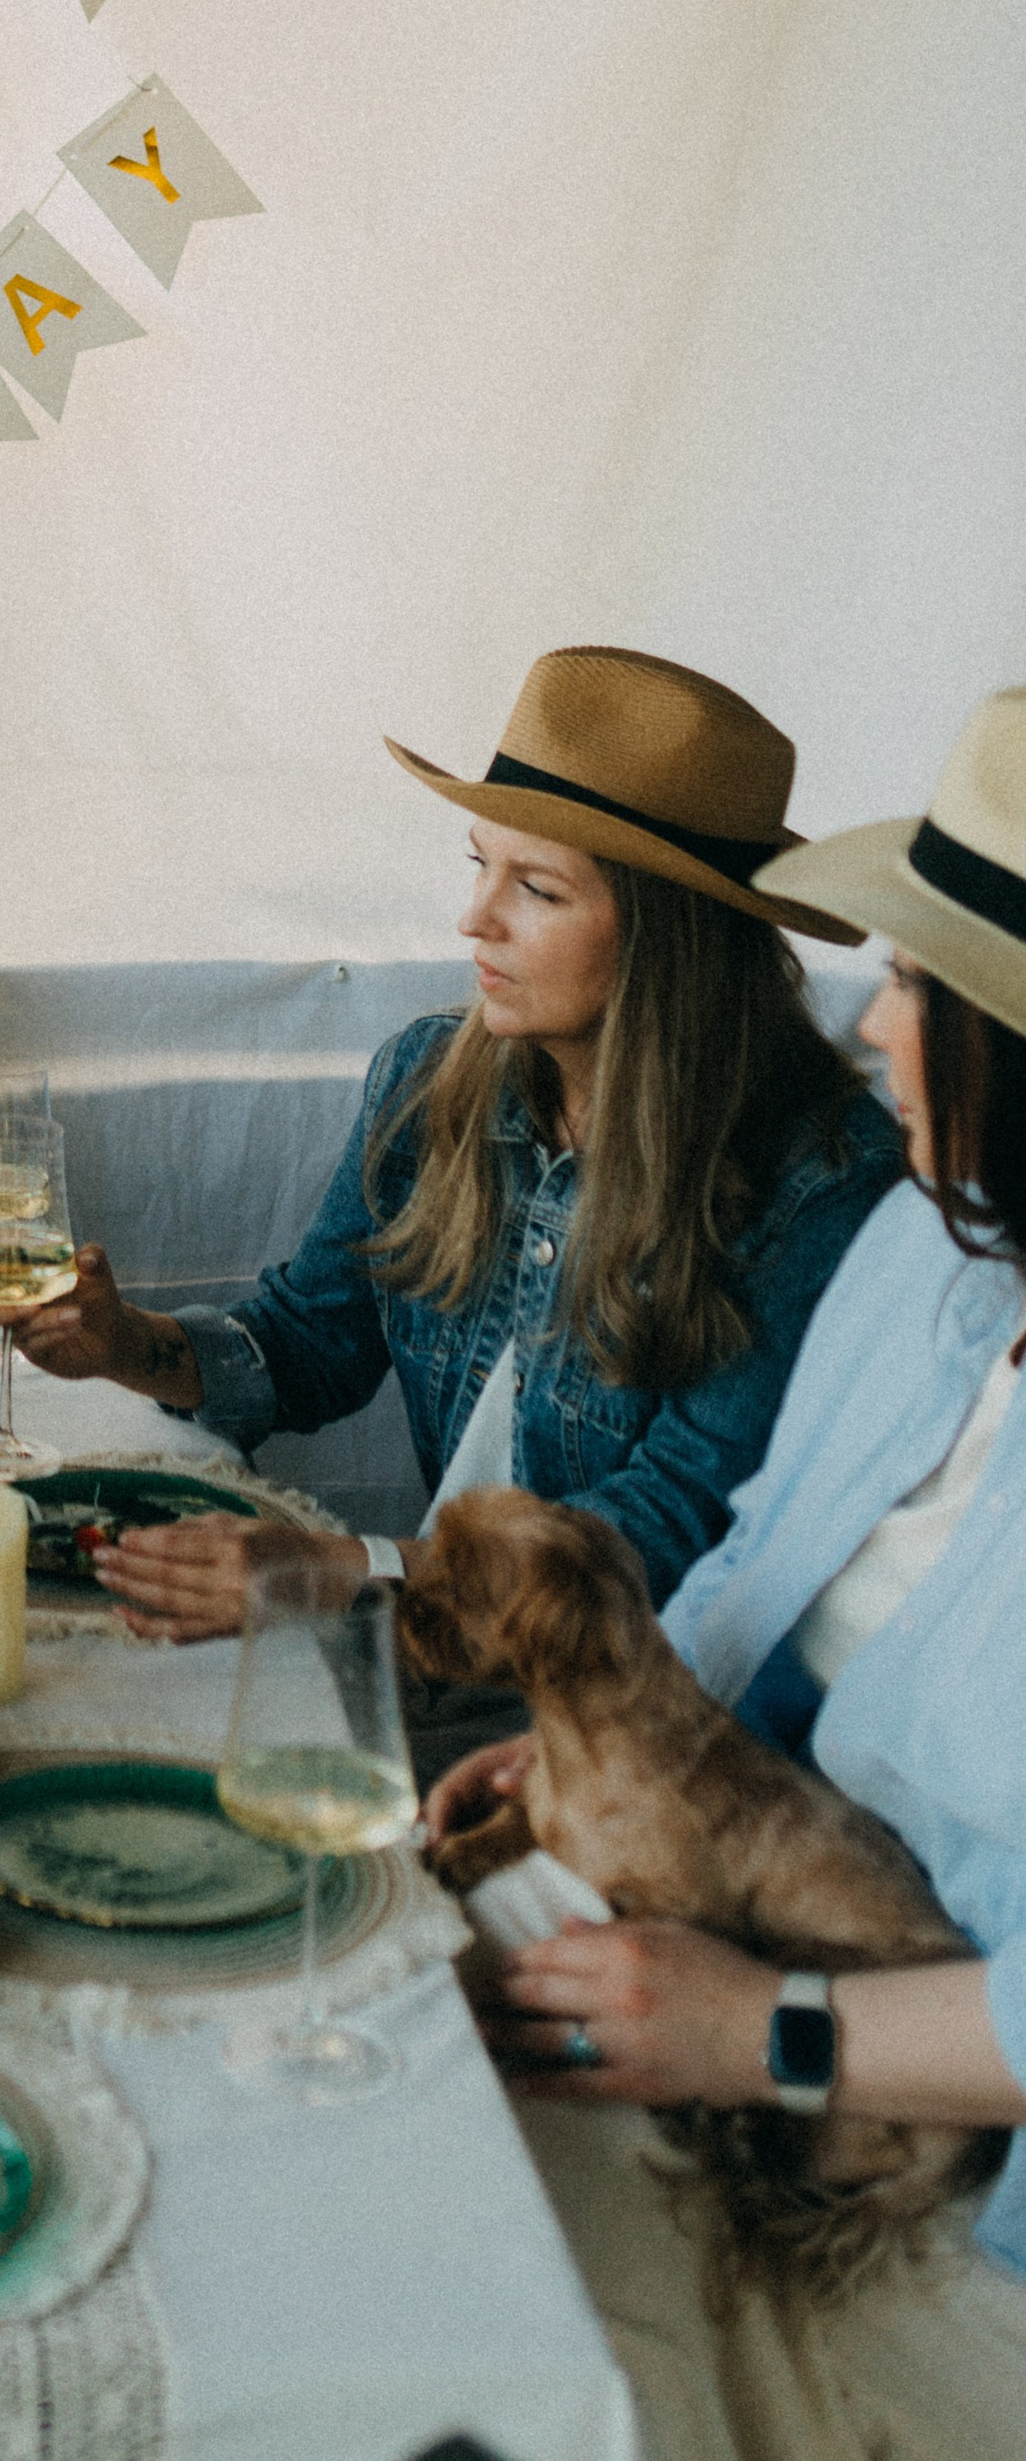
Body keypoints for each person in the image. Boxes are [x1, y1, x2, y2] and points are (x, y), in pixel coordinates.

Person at [435, 685, 1026, 2461]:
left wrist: (766, 2032)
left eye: (917, 987)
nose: (875, 1023)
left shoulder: (854, 1192)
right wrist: (597, 1760)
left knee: (502, 2368)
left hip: (927, 2159)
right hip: (722, 1937)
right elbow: (753, 1559)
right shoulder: (934, 1254)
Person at [0, 649, 900, 1646]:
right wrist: (126, 1345)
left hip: (627, 1706)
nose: (473, 919)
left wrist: (354, 1571)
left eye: (536, 889)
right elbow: (303, 1347)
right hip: (433, 1644)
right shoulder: (427, 1082)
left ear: (669, 940)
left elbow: (671, 1525)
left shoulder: (821, 1182)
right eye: (478, 864)